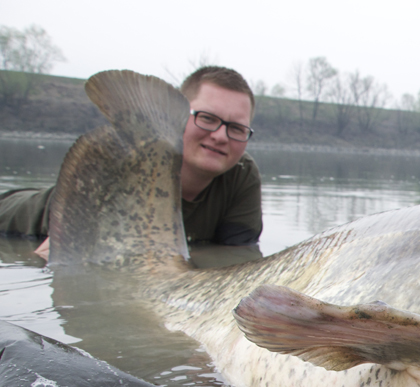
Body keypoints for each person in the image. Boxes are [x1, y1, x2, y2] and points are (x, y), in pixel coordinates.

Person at [0, 65, 263, 257]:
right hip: (21, 223)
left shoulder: (242, 175)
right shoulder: (128, 162)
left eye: (237, 128)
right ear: (178, 117)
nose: (220, 136)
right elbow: (49, 258)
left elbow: (236, 256)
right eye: (206, 118)